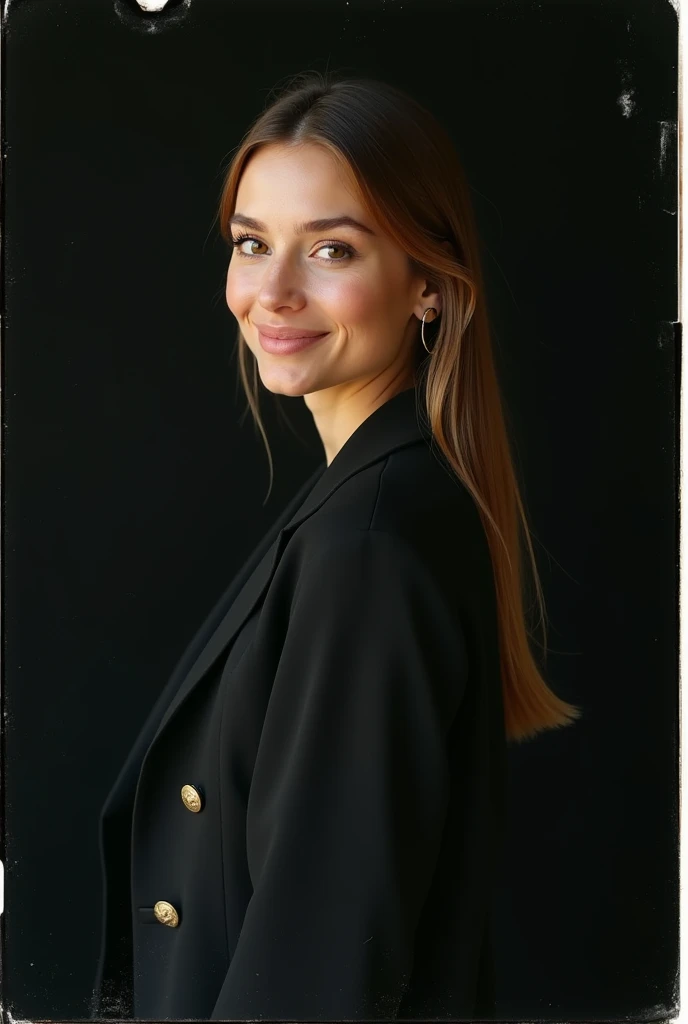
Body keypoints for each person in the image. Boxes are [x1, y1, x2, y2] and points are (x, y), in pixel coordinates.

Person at [90, 71, 581, 1021]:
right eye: (251, 244)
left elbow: (318, 967)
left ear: (429, 285)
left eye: (331, 249)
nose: (271, 293)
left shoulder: (370, 540)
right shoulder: (371, 498)